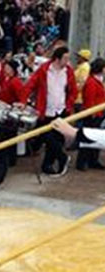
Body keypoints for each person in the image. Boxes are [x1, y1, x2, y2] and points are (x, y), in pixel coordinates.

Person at [22, 46, 77, 177]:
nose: (68, 61)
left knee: (56, 138)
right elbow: (30, 85)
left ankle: (48, 164)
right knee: (46, 135)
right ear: (57, 58)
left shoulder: (68, 71)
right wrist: (23, 101)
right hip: (46, 109)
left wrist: (69, 103)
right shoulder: (44, 70)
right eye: (65, 58)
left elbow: (73, 89)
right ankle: (61, 157)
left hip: (61, 109)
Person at [76, 57, 105, 171]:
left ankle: (92, 160)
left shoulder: (95, 80)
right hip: (93, 114)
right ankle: (83, 162)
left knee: (93, 138)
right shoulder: (92, 82)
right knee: (87, 138)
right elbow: (89, 99)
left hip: (97, 113)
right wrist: (93, 113)